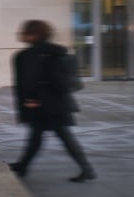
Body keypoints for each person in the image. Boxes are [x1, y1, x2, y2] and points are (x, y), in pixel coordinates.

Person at [8, 19, 95, 183]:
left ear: (33, 35)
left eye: (24, 31)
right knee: (40, 137)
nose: (21, 34)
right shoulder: (58, 52)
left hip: (43, 105)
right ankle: (23, 166)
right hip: (58, 103)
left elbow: (28, 82)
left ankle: (87, 169)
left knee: (55, 137)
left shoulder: (27, 56)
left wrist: (30, 102)